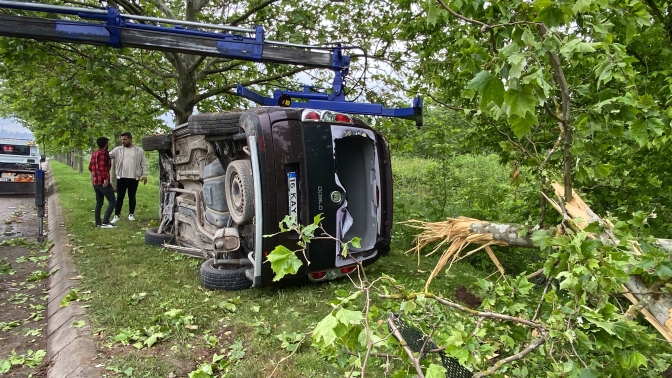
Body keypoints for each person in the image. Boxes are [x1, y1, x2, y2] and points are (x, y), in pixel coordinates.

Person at [109, 132, 148, 223]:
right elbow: (107, 156)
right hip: (121, 177)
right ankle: (117, 215)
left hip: (134, 177)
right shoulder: (117, 150)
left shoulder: (139, 151)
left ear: (130, 139)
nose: (123, 141)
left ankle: (131, 214)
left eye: (125, 139)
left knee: (132, 196)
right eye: (121, 139)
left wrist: (145, 175)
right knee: (119, 197)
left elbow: (144, 164)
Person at [88, 137, 117, 228]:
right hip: (102, 181)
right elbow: (102, 168)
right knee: (112, 201)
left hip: (95, 182)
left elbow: (90, 167)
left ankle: (98, 222)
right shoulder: (104, 154)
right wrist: (105, 179)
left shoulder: (95, 153)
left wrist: (94, 174)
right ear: (106, 144)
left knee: (99, 202)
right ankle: (105, 222)